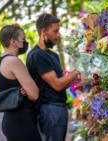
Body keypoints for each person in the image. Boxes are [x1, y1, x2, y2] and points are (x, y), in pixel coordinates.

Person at [26, 13, 80, 141]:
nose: (58, 35)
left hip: (59, 109)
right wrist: (78, 70)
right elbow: (57, 84)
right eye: (55, 31)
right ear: (43, 31)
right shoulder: (38, 55)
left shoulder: (53, 55)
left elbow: (62, 82)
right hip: (50, 110)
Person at [0, 24, 42, 141]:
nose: (25, 43)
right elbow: (34, 94)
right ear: (13, 41)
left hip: (10, 121)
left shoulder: (1, 61)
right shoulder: (14, 61)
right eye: (23, 39)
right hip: (21, 122)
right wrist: (28, 90)